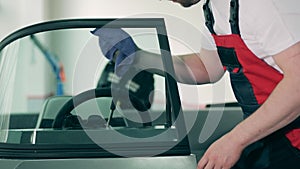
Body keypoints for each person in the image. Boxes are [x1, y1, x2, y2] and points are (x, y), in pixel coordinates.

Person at [92, 0, 300, 168]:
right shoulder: (215, 9)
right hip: (268, 136)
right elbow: (206, 67)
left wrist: (234, 141)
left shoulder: (262, 4)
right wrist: (140, 59)